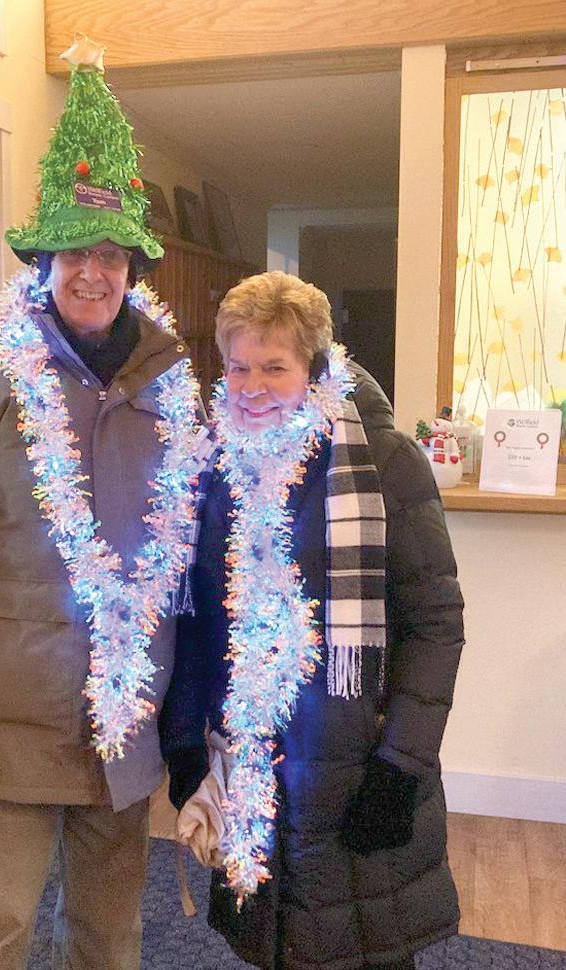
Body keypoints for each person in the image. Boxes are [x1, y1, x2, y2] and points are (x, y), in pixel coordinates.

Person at [0, 35, 204, 970]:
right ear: (43, 260)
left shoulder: (173, 387)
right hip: (5, 727)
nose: (92, 272)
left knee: (108, 939)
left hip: (126, 725)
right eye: (72, 252)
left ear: (133, 267)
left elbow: (200, 555)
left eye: (111, 254)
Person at [160, 271, 464, 970]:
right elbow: (197, 623)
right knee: (274, 943)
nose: (252, 387)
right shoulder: (212, 464)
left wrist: (401, 765)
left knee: (366, 945)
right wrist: (184, 748)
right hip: (250, 760)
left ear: (315, 367)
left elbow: (435, 623)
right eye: (238, 367)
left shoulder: (381, 459)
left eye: (274, 367)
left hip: (357, 764)